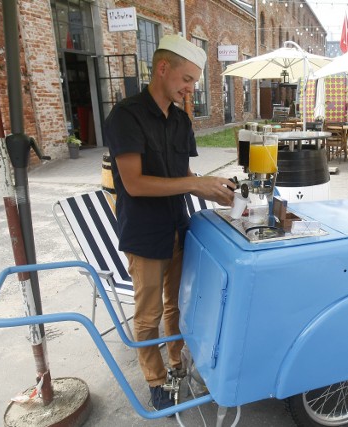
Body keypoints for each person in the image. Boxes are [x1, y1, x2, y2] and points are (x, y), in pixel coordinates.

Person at [104, 34, 236, 412]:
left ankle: (176, 364)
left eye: (194, 82)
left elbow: (183, 173)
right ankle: (155, 378)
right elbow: (134, 183)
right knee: (148, 314)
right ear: (163, 69)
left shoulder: (180, 120)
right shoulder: (125, 116)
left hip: (179, 225)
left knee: (177, 304)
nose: (190, 89)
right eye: (188, 79)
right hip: (144, 233)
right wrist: (195, 183)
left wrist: (209, 190)